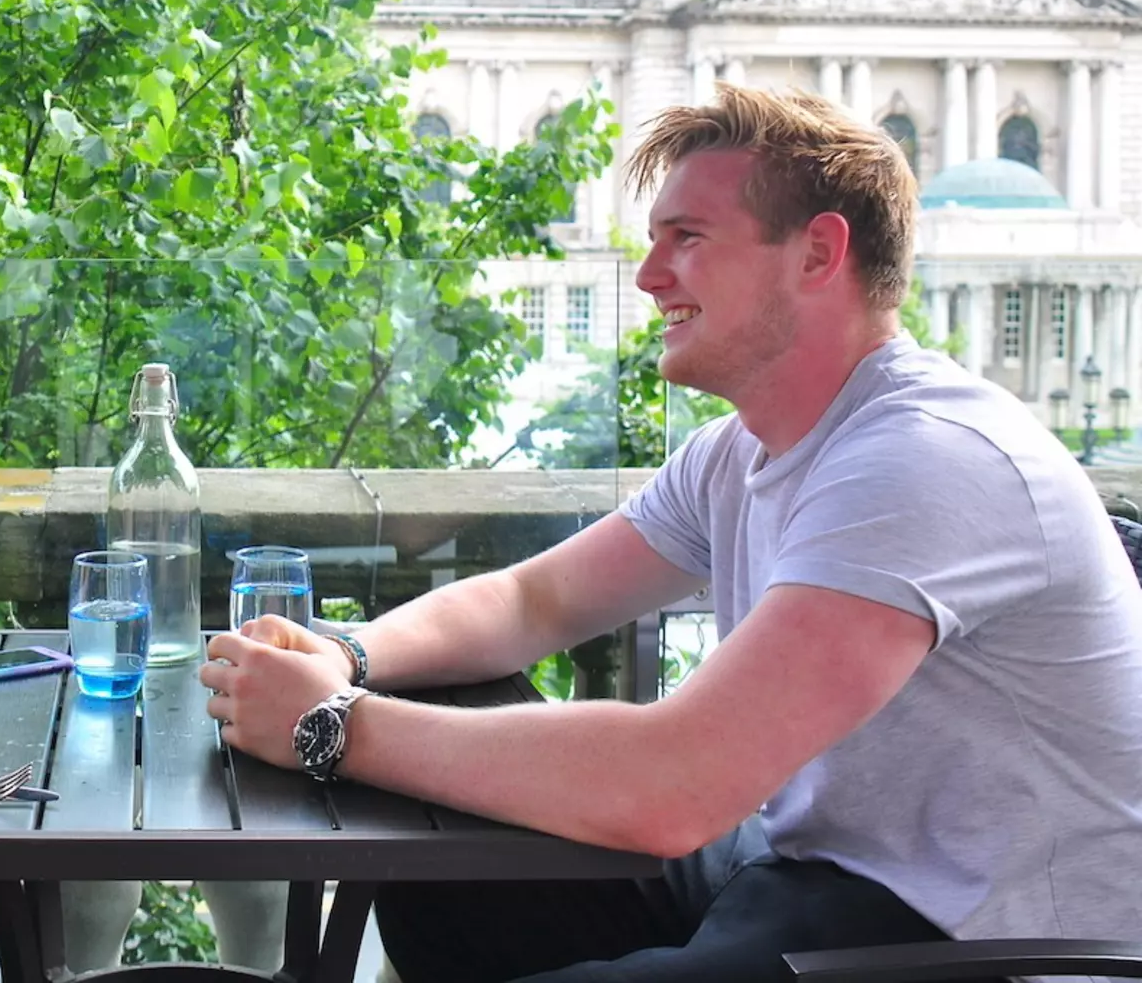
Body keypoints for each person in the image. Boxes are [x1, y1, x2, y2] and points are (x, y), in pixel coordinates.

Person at [202, 84, 1142, 983]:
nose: (650, 276)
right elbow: (533, 600)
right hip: (824, 870)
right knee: (447, 894)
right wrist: (345, 653)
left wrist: (330, 727)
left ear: (818, 254)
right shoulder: (740, 450)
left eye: (686, 240)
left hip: (997, 946)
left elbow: (675, 785)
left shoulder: (926, 460)